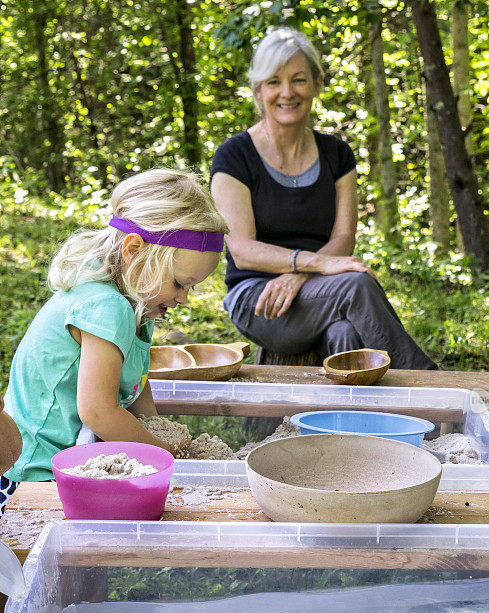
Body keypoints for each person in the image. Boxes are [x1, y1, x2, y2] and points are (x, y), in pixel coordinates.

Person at [210, 27, 436, 369]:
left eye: (298, 79)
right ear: (258, 90)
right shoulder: (234, 156)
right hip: (259, 298)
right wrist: (318, 264)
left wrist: (304, 274)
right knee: (356, 285)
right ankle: (430, 385)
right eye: (273, 81)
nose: (287, 92)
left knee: (344, 333)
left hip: (324, 289)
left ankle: (344, 420)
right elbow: (242, 250)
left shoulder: (337, 154)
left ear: (317, 83)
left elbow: (344, 237)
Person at [1, 168, 228, 502]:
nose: (184, 298)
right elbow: (98, 412)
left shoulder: (137, 299)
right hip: (37, 477)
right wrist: (164, 454)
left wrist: (154, 427)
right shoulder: (106, 307)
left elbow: (135, 383)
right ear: (133, 250)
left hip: (77, 456)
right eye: (180, 283)